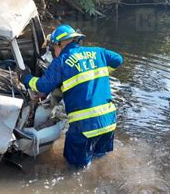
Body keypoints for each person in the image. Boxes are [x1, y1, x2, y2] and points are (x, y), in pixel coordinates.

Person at [19, 24, 123, 167]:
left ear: (59, 44)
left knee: (75, 169)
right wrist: (97, 73)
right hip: (109, 121)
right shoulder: (97, 52)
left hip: (84, 126)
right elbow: (118, 59)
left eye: (52, 48)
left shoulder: (61, 61)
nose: (53, 52)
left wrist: (25, 77)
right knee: (100, 160)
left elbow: (42, 86)